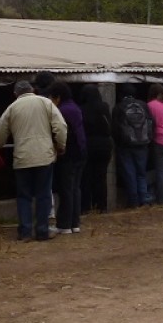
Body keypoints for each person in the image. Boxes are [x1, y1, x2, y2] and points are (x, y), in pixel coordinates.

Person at [0, 80, 67, 241]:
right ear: (32, 90)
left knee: (23, 196)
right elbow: (60, 126)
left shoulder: (12, 108)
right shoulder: (46, 103)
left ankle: (25, 232)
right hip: (44, 156)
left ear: (15, 94)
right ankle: (42, 231)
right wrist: (61, 146)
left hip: (22, 157)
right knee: (43, 194)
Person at [50, 82, 87, 233]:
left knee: (66, 189)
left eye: (52, 98)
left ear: (58, 97)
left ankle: (64, 225)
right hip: (81, 151)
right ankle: (74, 223)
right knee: (75, 188)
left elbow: (60, 132)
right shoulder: (75, 108)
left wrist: (59, 148)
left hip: (68, 154)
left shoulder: (62, 111)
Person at [112, 84, 154, 207]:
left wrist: (118, 142)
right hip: (143, 144)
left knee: (129, 172)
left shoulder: (119, 107)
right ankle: (144, 199)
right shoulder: (143, 105)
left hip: (125, 145)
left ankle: (133, 201)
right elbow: (151, 123)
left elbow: (115, 128)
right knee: (141, 173)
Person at [78, 85, 113, 214]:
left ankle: (86, 206)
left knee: (86, 176)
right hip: (104, 144)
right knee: (101, 176)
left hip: (88, 144)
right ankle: (102, 205)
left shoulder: (81, 109)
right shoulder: (104, 107)